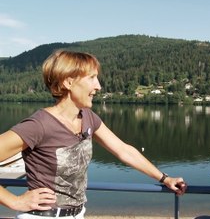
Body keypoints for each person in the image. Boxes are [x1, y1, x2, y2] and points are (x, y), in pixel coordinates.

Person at [0, 50, 187, 218]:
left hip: (78, 213)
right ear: (68, 82)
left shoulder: (88, 117)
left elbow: (124, 150)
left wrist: (164, 178)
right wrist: (14, 201)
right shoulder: (39, 125)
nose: (98, 86)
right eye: (92, 78)